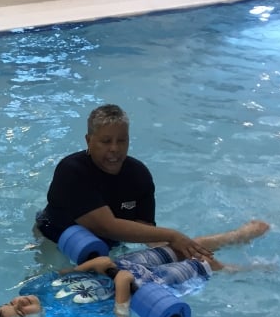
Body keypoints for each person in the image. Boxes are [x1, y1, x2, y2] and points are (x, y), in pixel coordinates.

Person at [0, 220, 270, 317]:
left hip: (124, 265)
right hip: (150, 287)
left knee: (186, 246)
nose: (21, 301)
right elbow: (122, 313)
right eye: (21, 311)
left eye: (12, 302)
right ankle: (251, 270)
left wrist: (96, 266)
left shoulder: (32, 289)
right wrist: (115, 277)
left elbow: (70, 272)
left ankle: (236, 236)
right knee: (205, 264)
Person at [35, 104, 215, 262]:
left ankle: (236, 245)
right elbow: (106, 227)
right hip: (55, 239)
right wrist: (172, 235)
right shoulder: (72, 170)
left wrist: (184, 251)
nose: (115, 148)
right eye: (106, 141)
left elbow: (146, 231)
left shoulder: (139, 175)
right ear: (89, 141)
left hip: (107, 246)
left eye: (122, 140)